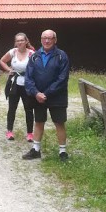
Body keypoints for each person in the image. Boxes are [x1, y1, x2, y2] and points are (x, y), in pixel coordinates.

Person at [23, 30, 71, 162]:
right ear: (41, 39)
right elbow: (28, 77)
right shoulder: (34, 56)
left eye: (50, 38)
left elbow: (62, 78)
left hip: (57, 96)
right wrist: (36, 93)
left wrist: (46, 93)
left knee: (59, 123)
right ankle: (35, 150)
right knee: (39, 122)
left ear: (55, 40)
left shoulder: (61, 56)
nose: (47, 41)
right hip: (38, 97)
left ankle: (62, 152)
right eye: (44, 38)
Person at [0, 33, 36, 142]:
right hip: (14, 83)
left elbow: (38, 67)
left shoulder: (32, 54)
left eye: (22, 40)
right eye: (18, 41)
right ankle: (9, 131)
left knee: (29, 109)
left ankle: (30, 133)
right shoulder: (13, 52)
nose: (20, 42)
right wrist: (9, 70)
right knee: (12, 108)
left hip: (27, 84)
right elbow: (2, 61)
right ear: (15, 42)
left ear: (26, 41)